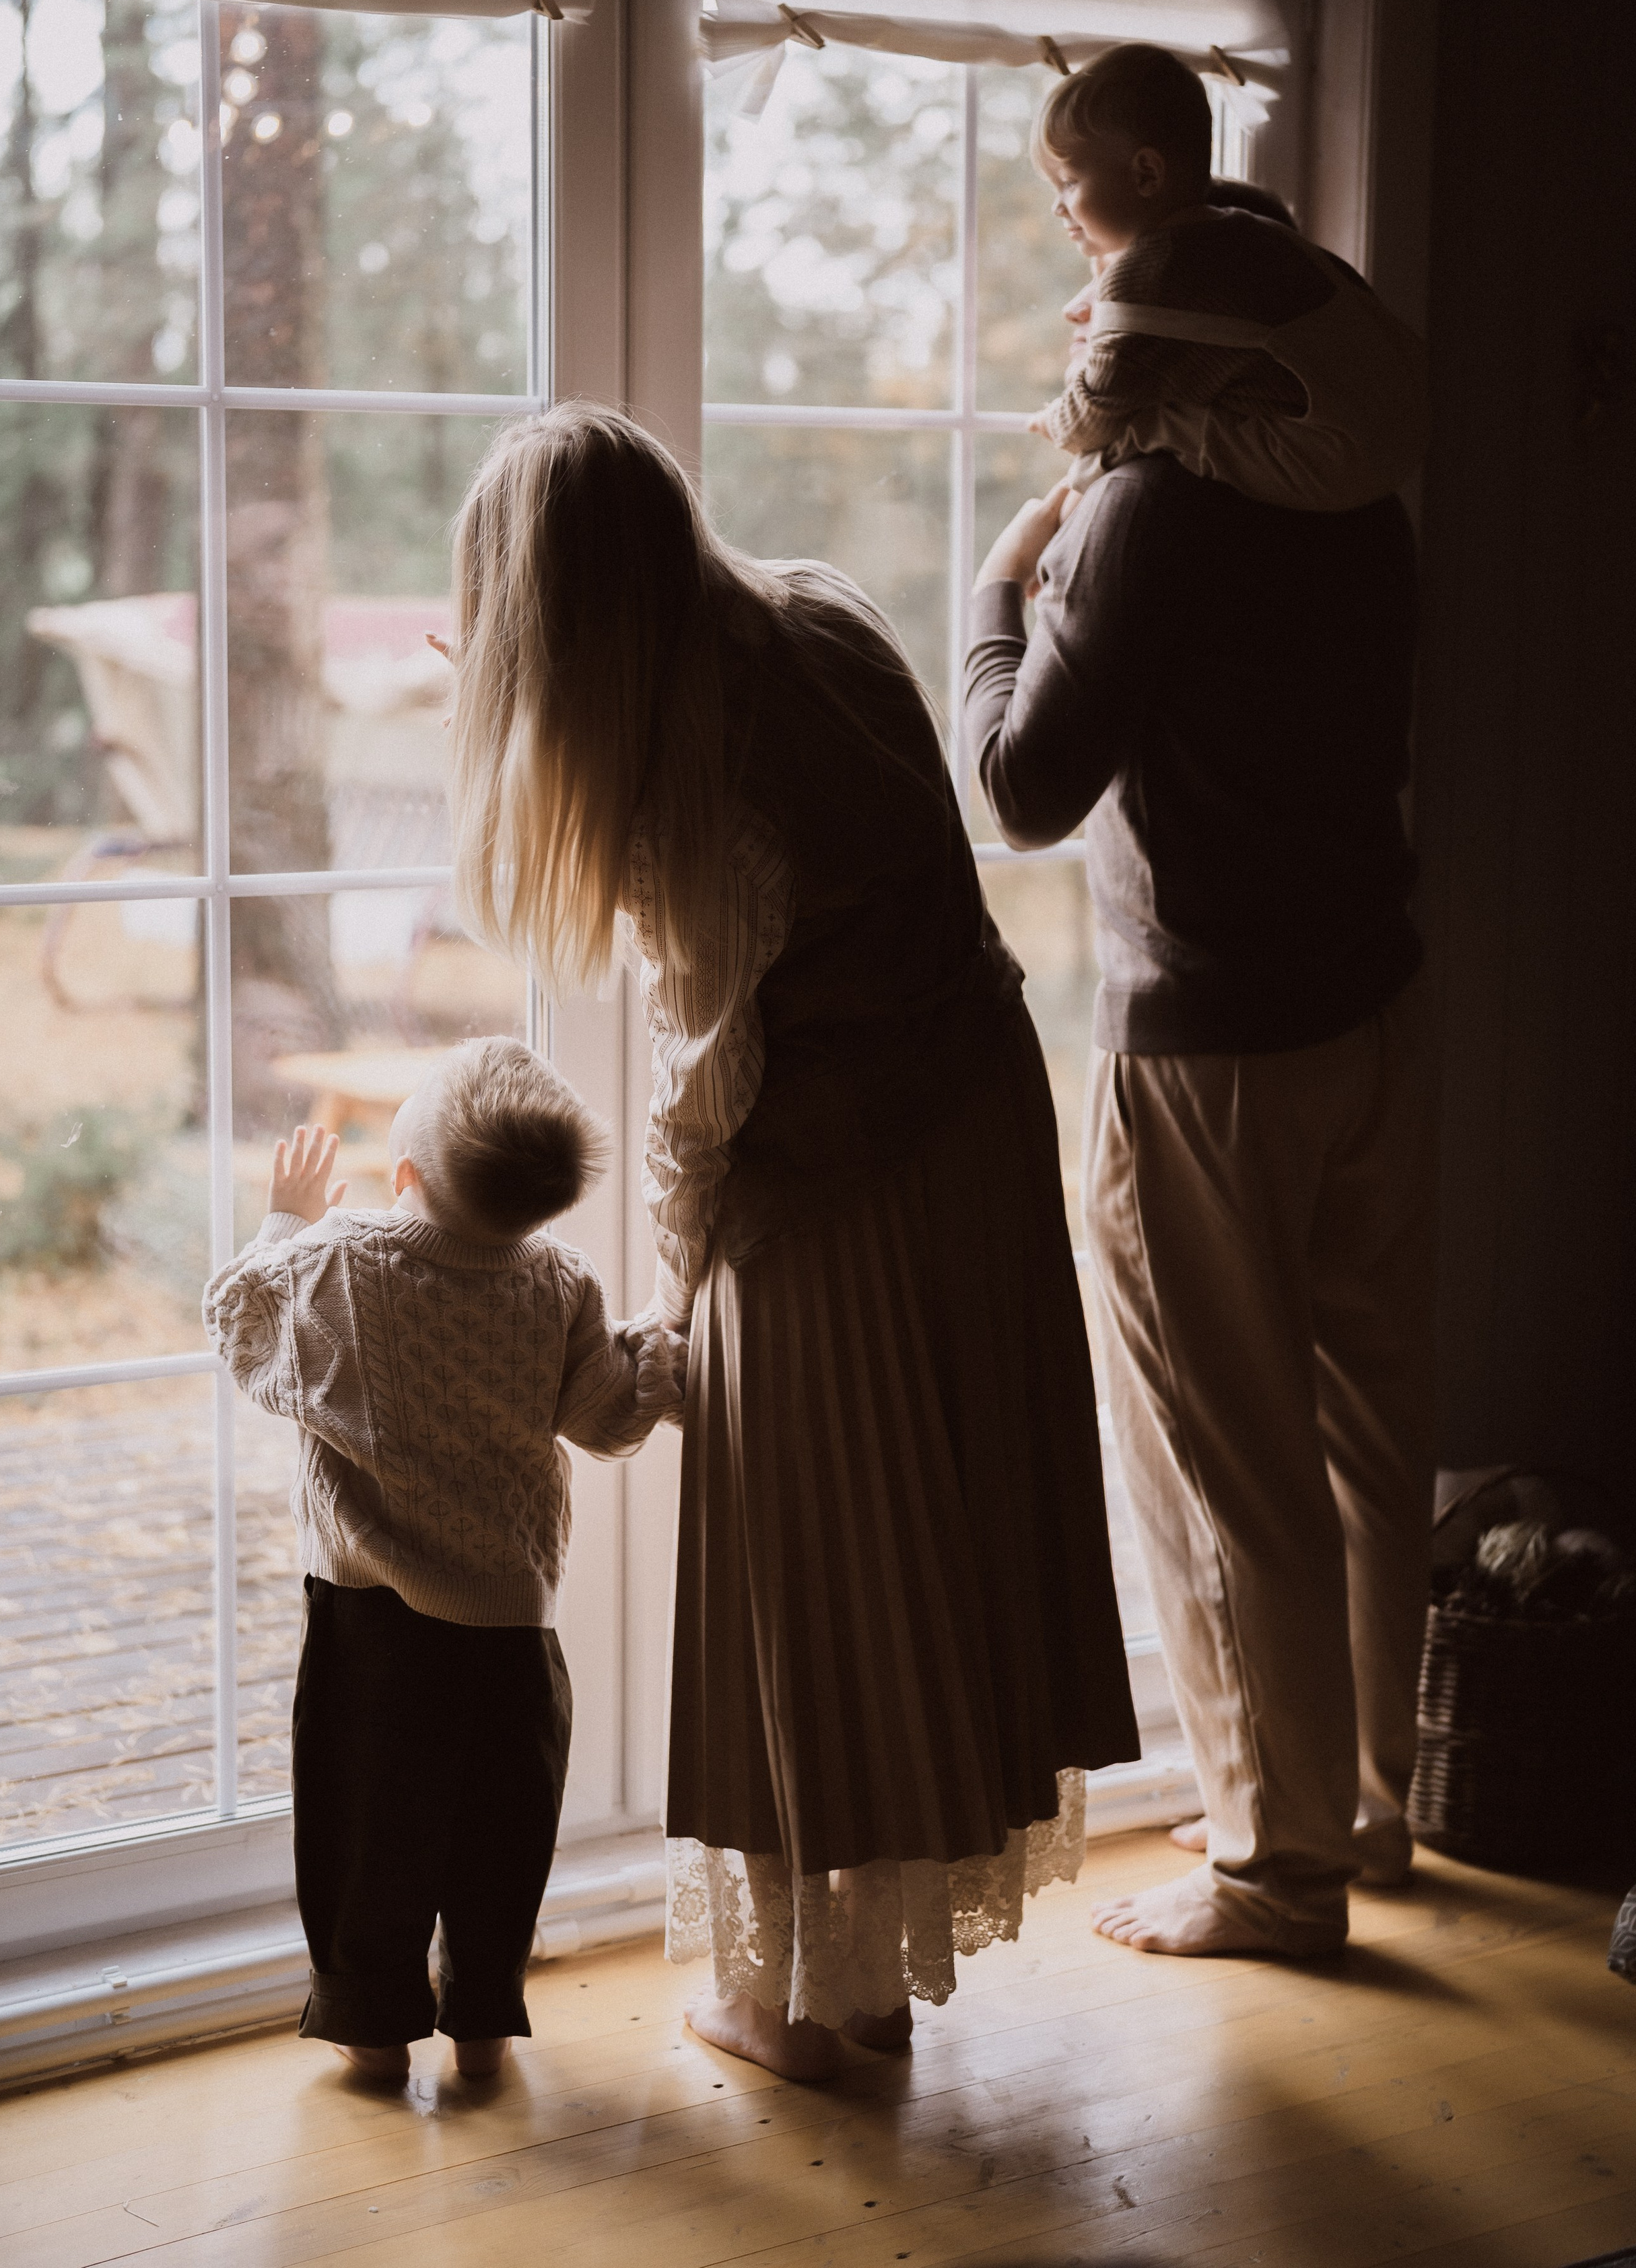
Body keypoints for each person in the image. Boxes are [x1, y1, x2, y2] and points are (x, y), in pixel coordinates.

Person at [442, 402, 1139, 2080]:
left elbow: (704, 1083)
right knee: (925, 1559)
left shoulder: (690, 767)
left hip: (835, 1183)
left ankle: (811, 2009)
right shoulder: (812, 609)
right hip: (974, 1124)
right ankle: (857, 1989)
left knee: (805, 1584)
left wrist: (681, 1287)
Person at [966, 288, 1436, 1956]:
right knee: (1367, 1440)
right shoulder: (1359, 502)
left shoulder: (1147, 512)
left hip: (1209, 1046)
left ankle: (1273, 1867)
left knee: (1218, 1459)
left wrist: (992, 601)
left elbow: (1020, 791)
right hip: (1372, 1009)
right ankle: (1372, 1809)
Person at [203, 1037, 685, 2081]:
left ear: (404, 1174)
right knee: (501, 1836)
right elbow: (604, 1419)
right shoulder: (559, 1280)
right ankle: (480, 2027)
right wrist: (666, 1336)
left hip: (372, 1624)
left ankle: (374, 2032)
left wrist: (288, 1212)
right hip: (513, 1629)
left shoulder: (338, 1262)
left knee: (366, 1834)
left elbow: (240, 1325)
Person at [1032, 43, 1426, 512]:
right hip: (1406, 429)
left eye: (1069, 182)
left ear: (1146, 173)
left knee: (1151, 424)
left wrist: (1052, 421)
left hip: (1334, 458)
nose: (1058, 206)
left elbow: (1090, 421)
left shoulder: (1149, 276)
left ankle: (1067, 504)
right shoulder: (1250, 233)